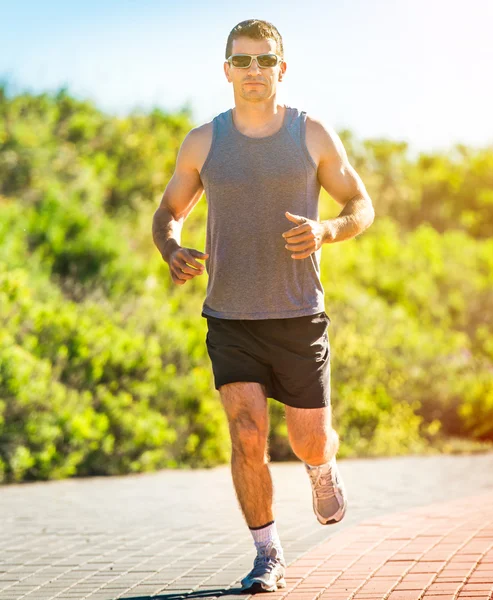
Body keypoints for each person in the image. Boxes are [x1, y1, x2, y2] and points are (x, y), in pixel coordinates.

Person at [152, 18, 375, 594]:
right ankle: (267, 554)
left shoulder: (312, 133)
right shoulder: (204, 141)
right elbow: (168, 210)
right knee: (247, 432)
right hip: (229, 316)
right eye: (243, 60)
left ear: (282, 68)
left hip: (298, 312)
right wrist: (170, 247)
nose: (255, 71)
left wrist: (327, 229)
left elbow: (360, 203)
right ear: (226, 69)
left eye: (265, 60)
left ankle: (321, 466)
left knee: (308, 439)